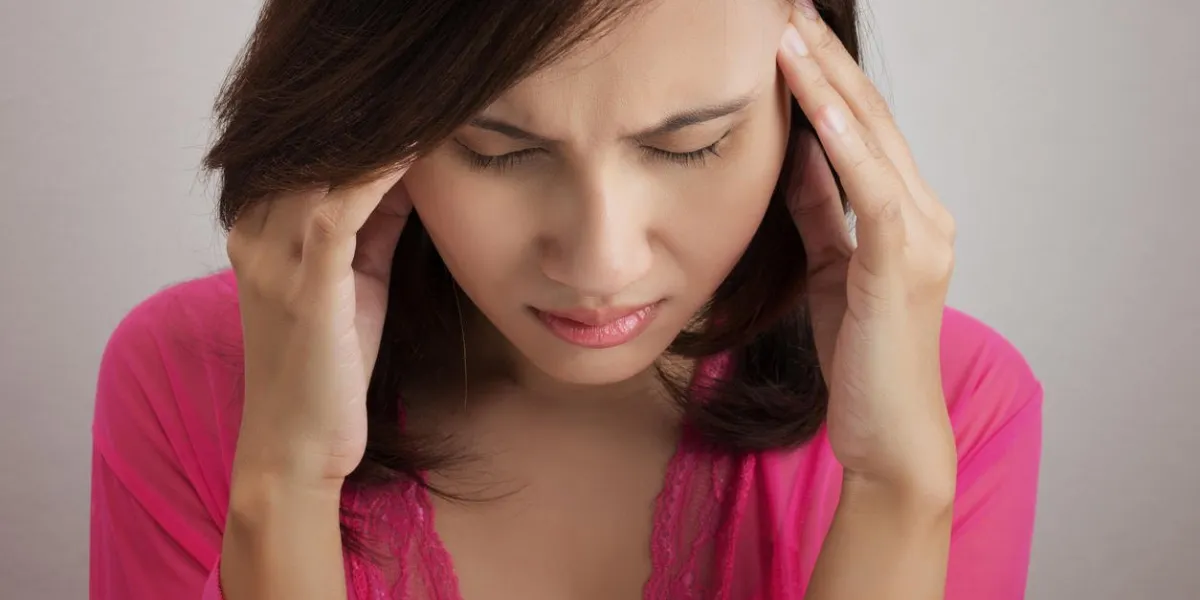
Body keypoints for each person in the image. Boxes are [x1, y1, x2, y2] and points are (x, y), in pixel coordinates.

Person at [89, 0, 1043, 598]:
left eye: (688, 146)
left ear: (811, 111)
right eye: (500, 151)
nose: (600, 261)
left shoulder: (959, 405)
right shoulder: (189, 378)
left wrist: (896, 493)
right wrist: (283, 489)